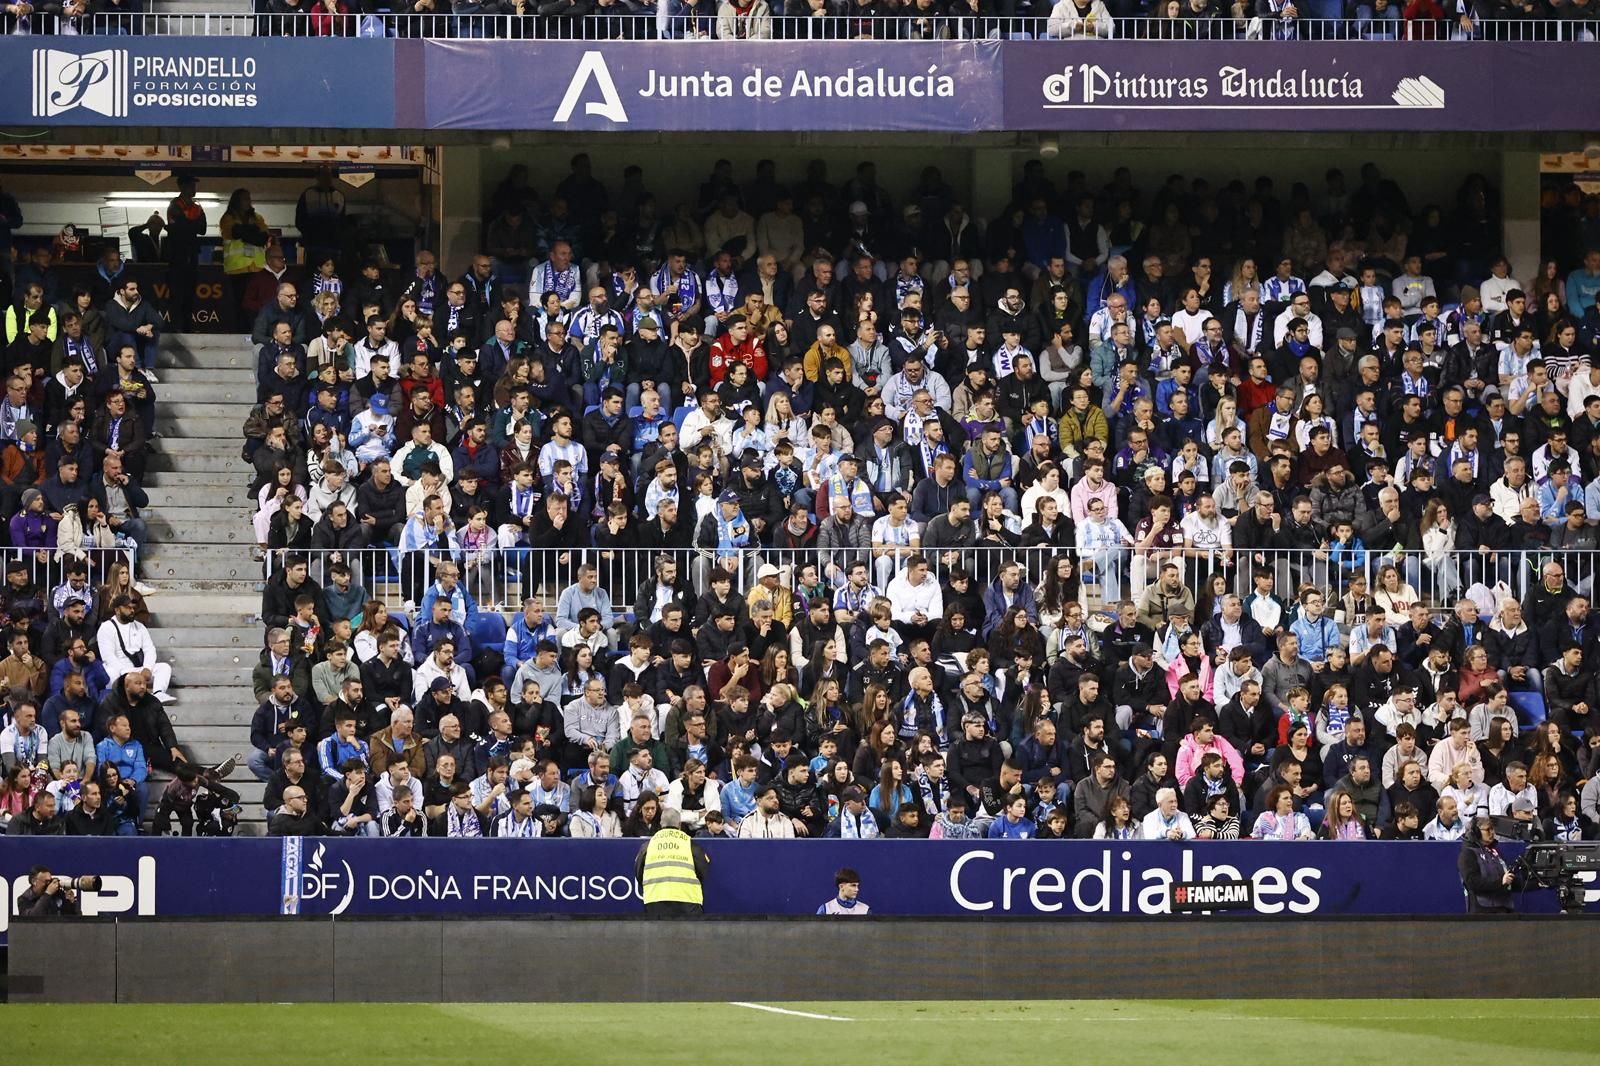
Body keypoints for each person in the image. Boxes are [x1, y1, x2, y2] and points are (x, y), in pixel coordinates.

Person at [635, 806, 710, 917]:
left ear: (661, 824)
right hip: (688, 902)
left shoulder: (648, 846)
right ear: (679, 825)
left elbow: (638, 873)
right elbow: (703, 871)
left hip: (655, 902)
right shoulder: (690, 844)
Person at [1458, 814, 1516, 914]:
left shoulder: (1494, 852)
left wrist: (1536, 883)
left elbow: (1507, 879)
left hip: (1503, 908)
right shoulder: (1468, 854)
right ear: (1476, 832)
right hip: (1482, 911)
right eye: (1488, 829)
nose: (1492, 833)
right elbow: (1472, 882)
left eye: (1493, 829)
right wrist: (1500, 882)